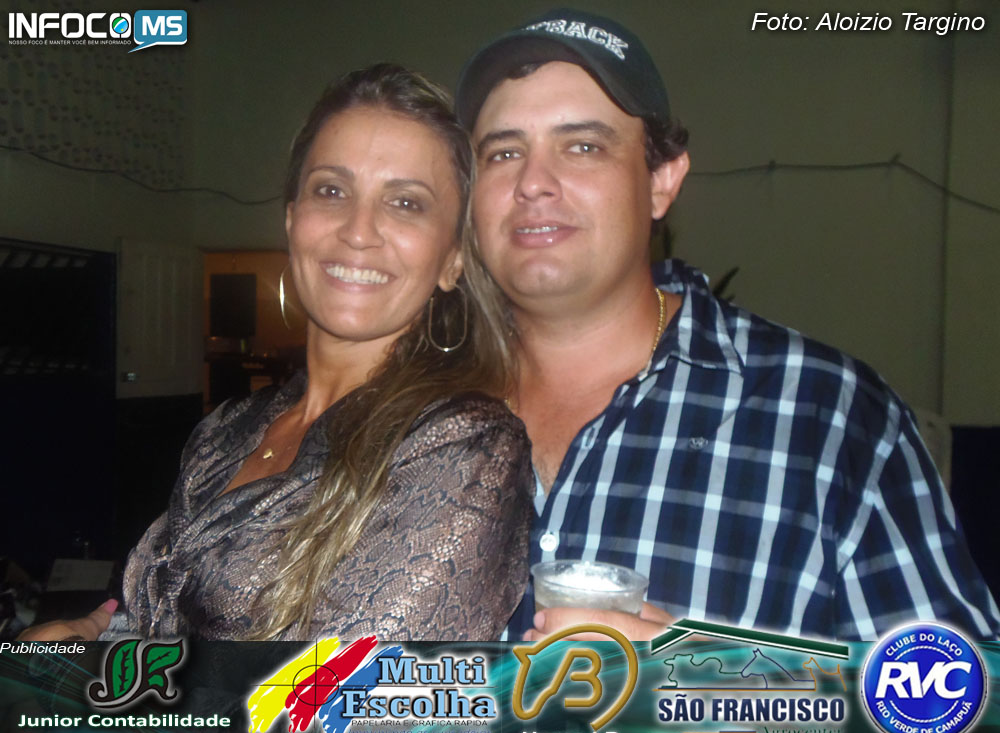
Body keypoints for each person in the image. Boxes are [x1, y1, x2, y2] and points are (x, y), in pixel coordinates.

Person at [455, 8, 1000, 641]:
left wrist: (712, 677)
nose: (533, 183)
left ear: (661, 181)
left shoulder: (833, 417)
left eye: (583, 146)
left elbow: (964, 693)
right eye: (503, 152)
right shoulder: (410, 410)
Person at [21, 63, 533, 641]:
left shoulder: (464, 445)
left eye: (406, 202)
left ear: (453, 260)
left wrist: (97, 683)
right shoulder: (228, 428)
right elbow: (164, 621)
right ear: (292, 222)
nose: (358, 230)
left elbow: (350, 686)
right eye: (331, 191)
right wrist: (84, 639)